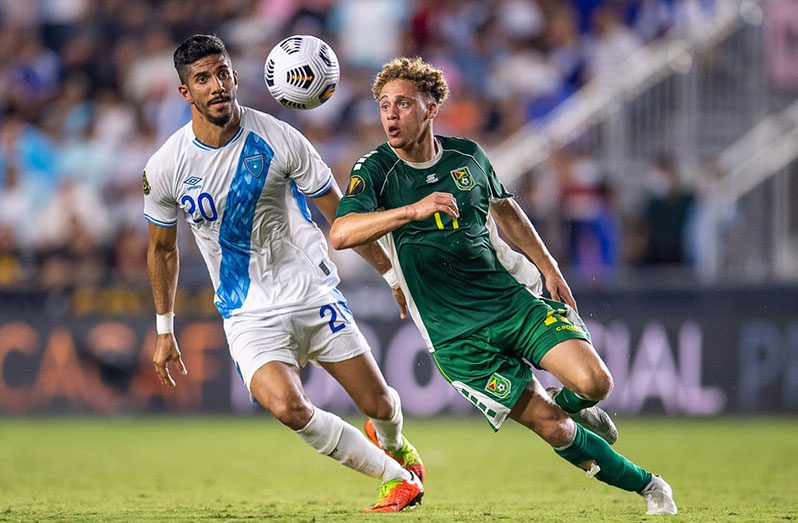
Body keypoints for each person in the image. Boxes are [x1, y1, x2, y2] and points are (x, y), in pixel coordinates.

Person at [330, 56, 677, 516]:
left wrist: (549, 265)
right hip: (456, 336)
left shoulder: (468, 157)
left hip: (511, 301)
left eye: (404, 104)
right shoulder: (375, 169)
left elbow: (507, 211)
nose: (391, 115)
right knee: (553, 428)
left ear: (431, 108)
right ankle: (652, 488)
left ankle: (571, 401)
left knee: (596, 383)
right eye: (385, 105)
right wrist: (410, 212)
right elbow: (342, 232)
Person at [143, 35, 424, 513]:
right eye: (202, 79)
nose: (217, 86)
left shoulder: (279, 138)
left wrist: (392, 276)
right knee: (288, 408)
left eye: (223, 73)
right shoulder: (167, 166)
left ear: (234, 75)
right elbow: (162, 249)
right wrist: (164, 329)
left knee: (379, 405)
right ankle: (396, 479)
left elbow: (342, 215)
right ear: (184, 93)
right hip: (247, 312)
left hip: (311, 293)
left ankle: (396, 444)